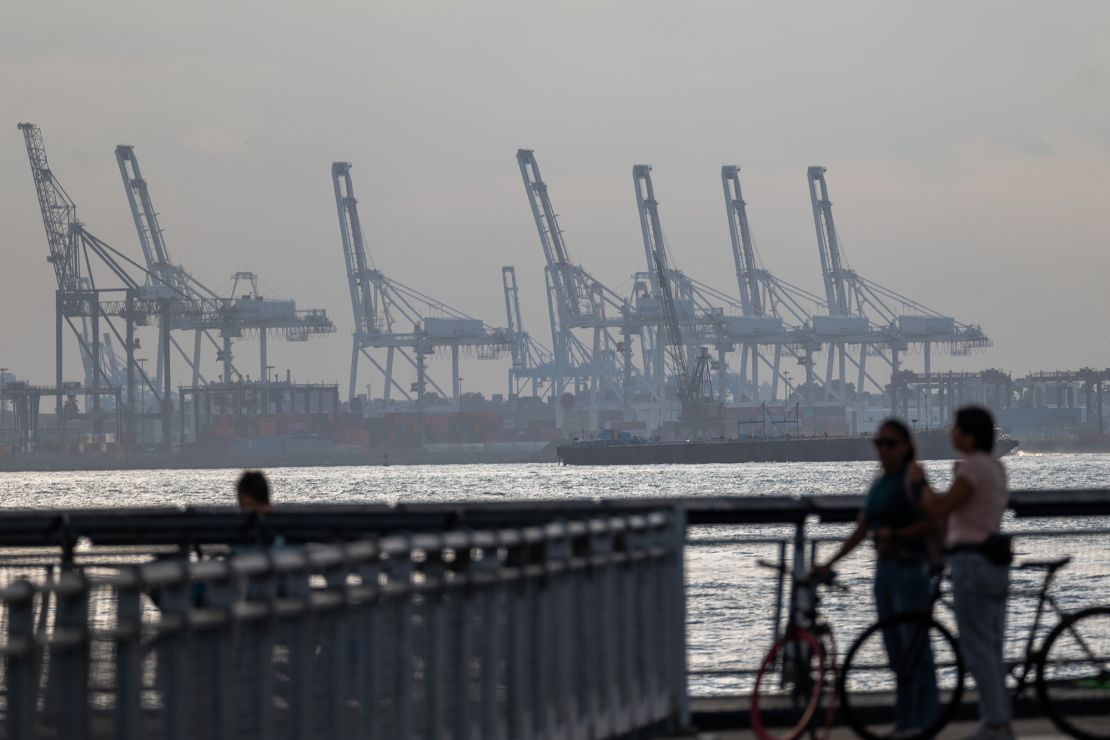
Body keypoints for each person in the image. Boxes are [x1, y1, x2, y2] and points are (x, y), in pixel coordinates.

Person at [814, 419, 940, 733]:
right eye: (878, 443)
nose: (883, 449)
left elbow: (934, 522)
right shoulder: (879, 482)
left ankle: (925, 723)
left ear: (906, 446)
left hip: (910, 570)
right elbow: (862, 528)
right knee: (896, 652)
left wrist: (896, 534)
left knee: (916, 650)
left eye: (890, 443)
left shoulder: (912, 478)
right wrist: (830, 562)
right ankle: (905, 721)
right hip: (884, 572)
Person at [912, 406, 1012, 740]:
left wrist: (921, 482)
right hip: (994, 563)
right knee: (992, 646)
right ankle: (997, 721)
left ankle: (996, 723)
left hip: (972, 562)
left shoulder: (974, 467)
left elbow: (941, 507)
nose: (949, 433)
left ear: (968, 435)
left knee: (976, 647)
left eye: (955, 428)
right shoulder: (996, 467)